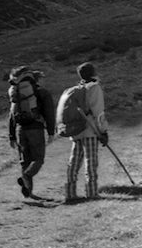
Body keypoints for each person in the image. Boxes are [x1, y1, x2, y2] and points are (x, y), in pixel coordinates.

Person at [59, 61, 108, 204]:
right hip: (90, 131)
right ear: (93, 73)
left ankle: (70, 193)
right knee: (91, 162)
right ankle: (92, 192)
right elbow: (99, 113)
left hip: (76, 131)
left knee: (74, 162)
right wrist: (103, 132)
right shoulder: (94, 88)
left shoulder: (77, 89)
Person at [7, 66, 55, 199]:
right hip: (36, 128)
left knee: (25, 161)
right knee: (38, 159)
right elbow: (49, 113)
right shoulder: (41, 92)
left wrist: (11, 135)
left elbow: (11, 115)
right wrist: (51, 131)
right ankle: (26, 177)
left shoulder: (15, 92)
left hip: (20, 129)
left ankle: (28, 192)